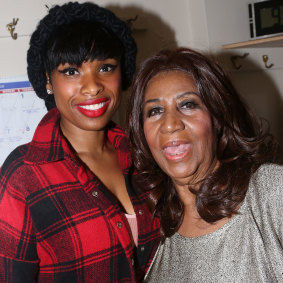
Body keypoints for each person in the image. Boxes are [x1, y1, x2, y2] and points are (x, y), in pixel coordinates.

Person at [0, 2, 160, 282]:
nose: (93, 85)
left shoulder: (145, 155)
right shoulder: (23, 175)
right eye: (71, 71)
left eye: (106, 67)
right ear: (48, 81)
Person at [127, 47, 282, 283]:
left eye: (187, 104)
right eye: (155, 111)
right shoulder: (152, 228)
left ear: (217, 116)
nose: (170, 124)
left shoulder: (271, 192)